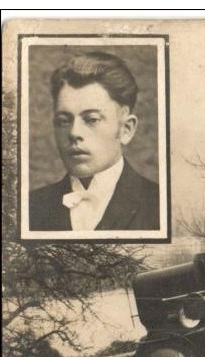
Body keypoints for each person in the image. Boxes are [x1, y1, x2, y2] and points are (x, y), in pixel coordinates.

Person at [30, 51, 159, 232]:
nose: (74, 132)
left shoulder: (159, 205)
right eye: (63, 121)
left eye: (91, 119)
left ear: (126, 129)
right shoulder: (30, 208)